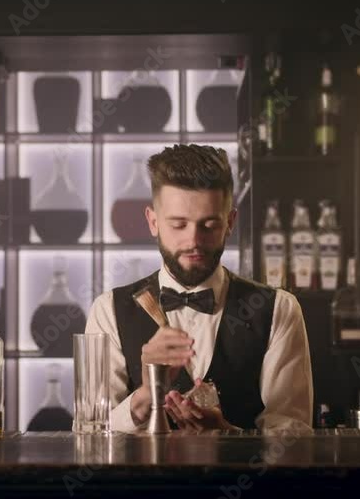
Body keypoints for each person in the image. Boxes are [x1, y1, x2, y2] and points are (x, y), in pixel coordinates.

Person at [85, 144, 313, 433]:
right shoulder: (109, 311)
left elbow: (292, 439)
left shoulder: (279, 309)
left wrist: (227, 435)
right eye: (179, 225)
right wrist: (145, 396)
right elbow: (89, 436)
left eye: (208, 225)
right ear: (153, 222)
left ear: (230, 222)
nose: (194, 240)